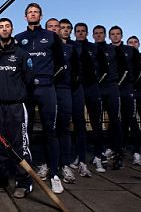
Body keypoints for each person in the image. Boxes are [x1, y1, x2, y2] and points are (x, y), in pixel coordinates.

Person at [15, 3, 64, 194]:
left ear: (41, 16)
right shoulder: (19, 39)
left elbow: (61, 64)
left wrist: (49, 79)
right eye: (29, 12)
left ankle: (53, 173)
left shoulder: (51, 36)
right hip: (27, 91)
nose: (33, 14)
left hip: (46, 89)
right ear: (25, 16)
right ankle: (26, 174)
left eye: (36, 12)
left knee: (49, 131)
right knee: (25, 134)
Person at [0, 17, 33, 198]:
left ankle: (24, 182)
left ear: (12, 29)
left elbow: (28, 81)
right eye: (1, 27)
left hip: (16, 107)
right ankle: (0, 177)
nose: (4, 29)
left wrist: (15, 94)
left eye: (7, 26)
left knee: (20, 146)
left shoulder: (22, 54)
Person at [45, 18, 79, 184]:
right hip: (46, 89)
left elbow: (77, 72)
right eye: (49, 27)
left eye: (56, 27)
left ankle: (64, 164)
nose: (53, 29)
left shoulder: (69, 49)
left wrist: (68, 85)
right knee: (48, 129)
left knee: (63, 128)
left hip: (63, 89)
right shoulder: (42, 47)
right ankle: (47, 163)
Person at [60, 20, 92, 178]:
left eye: (67, 28)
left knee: (80, 124)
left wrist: (79, 79)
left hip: (76, 87)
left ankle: (82, 160)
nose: (65, 30)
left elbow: (86, 66)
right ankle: (64, 159)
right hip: (61, 87)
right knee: (63, 125)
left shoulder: (77, 47)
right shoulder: (55, 46)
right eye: (62, 28)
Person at [73, 22, 106, 173]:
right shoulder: (72, 47)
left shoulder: (95, 48)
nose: (80, 33)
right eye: (78, 31)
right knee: (78, 123)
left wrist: (96, 82)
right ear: (75, 33)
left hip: (92, 87)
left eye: (83, 31)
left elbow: (104, 68)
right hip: (78, 87)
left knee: (96, 122)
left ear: (86, 33)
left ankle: (98, 156)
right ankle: (79, 156)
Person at [109, 26, 141, 165]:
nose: (115, 36)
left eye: (117, 34)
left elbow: (137, 70)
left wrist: (129, 82)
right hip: (113, 87)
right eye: (112, 34)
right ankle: (116, 147)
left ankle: (136, 151)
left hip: (127, 87)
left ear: (121, 36)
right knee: (114, 119)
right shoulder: (107, 50)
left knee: (131, 119)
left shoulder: (130, 50)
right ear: (109, 36)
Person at [93, 25, 126, 169]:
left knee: (115, 120)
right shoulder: (91, 49)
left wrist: (116, 84)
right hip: (97, 88)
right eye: (96, 33)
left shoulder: (113, 49)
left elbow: (123, 69)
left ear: (105, 35)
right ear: (93, 35)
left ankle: (117, 152)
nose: (99, 35)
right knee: (97, 121)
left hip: (111, 87)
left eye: (101, 33)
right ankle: (99, 152)